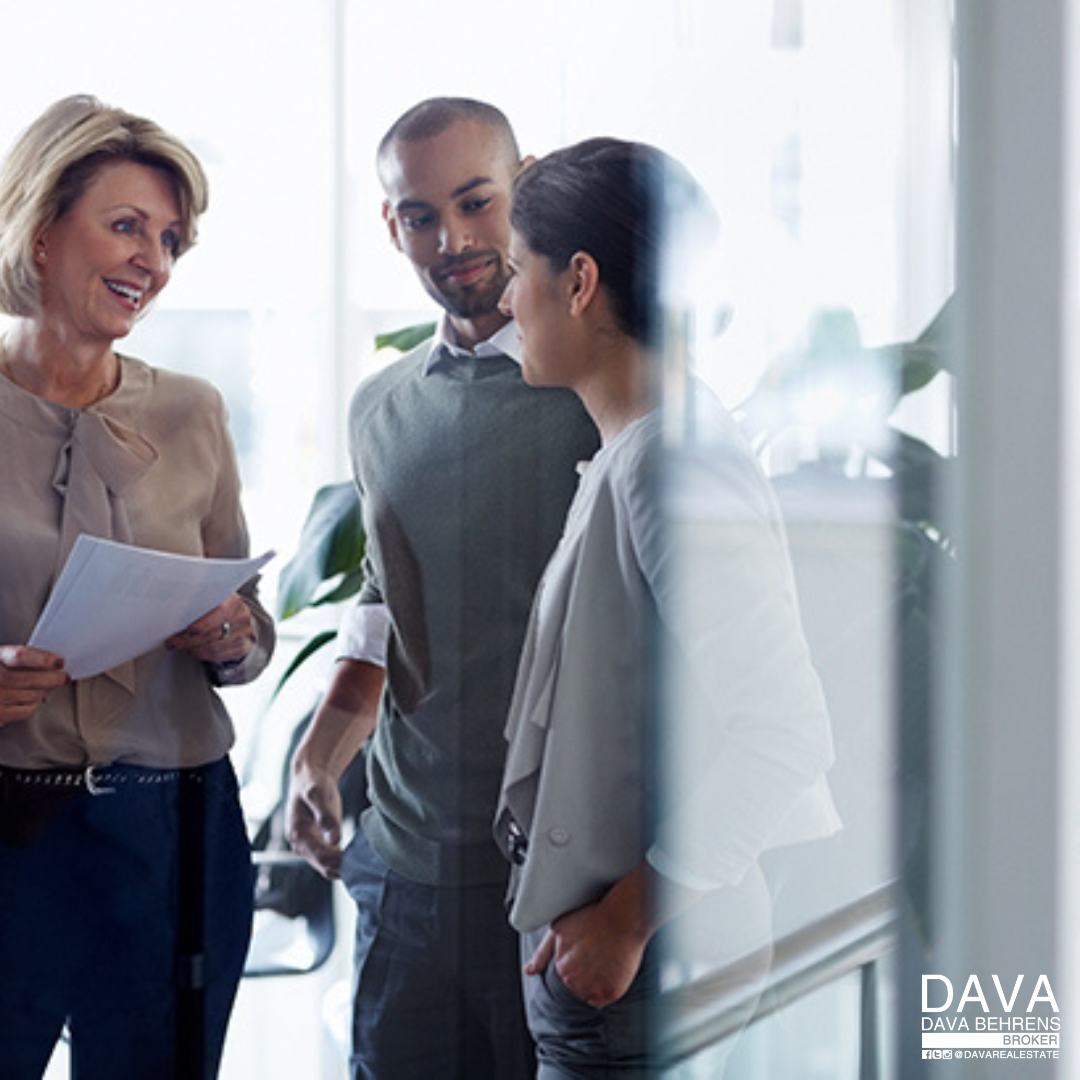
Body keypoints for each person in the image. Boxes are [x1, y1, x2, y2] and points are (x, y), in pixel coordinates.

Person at [494, 137, 842, 1077]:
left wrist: (623, 921)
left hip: (645, 963)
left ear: (579, 283)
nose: (501, 301)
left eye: (516, 271)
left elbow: (784, 732)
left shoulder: (667, 457)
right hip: (621, 960)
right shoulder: (639, 444)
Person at [285, 98, 599, 1078]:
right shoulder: (380, 409)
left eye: (476, 202)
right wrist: (318, 755)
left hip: (555, 890)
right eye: (419, 215)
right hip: (403, 879)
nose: (452, 239)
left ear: (529, 187)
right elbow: (382, 602)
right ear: (391, 226)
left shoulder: (601, 393)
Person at [0, 95, 274, 1078]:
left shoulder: (194, 412)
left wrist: (232, 634)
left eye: (169, 240)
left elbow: (252, 631)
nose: (152, 262)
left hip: (174, 832)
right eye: (126, 226)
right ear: (39, 232)